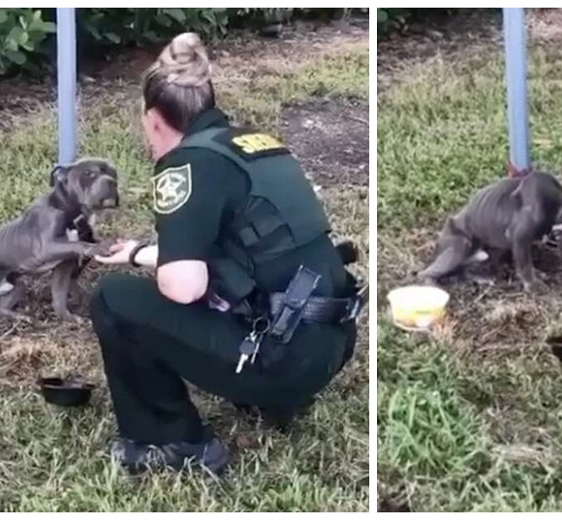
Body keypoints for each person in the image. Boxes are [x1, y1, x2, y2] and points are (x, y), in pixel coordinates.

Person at [87, 32, 365, 475]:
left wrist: (158, 267)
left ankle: (173, 441)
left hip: (280, 363)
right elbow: (247, 256)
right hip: (328, 346)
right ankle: (272, 399)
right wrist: (140, 252)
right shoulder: (256, 144)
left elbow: (184, 286)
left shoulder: (184, 165)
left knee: (112, 299)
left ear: (155, 118)